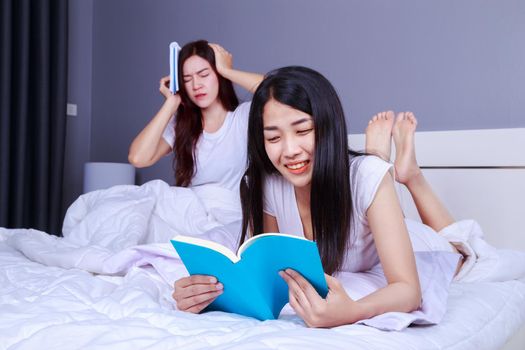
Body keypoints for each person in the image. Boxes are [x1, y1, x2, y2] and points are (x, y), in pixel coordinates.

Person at [171, 66, 465, 321]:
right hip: (367, 216)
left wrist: (353, 310)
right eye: (273, 137)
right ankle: (380, 156)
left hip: (405, 239)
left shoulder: (364, 178)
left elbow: (408, 291)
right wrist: (208, 293)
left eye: (302, 131)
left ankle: (407, 173)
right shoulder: (267, 183)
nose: (289, 150)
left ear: (328, 127)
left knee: (456, 249)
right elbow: (268, 275)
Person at [128, 40, 263, 190]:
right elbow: (138, 158)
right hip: (189, 208)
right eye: (187, 79)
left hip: (229, 210)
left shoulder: (242, 117)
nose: (196, 85)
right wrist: (171, 103)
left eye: (204, 75)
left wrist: (227, 71)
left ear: (219, 75)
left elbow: (274, 90)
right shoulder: (182, 124)